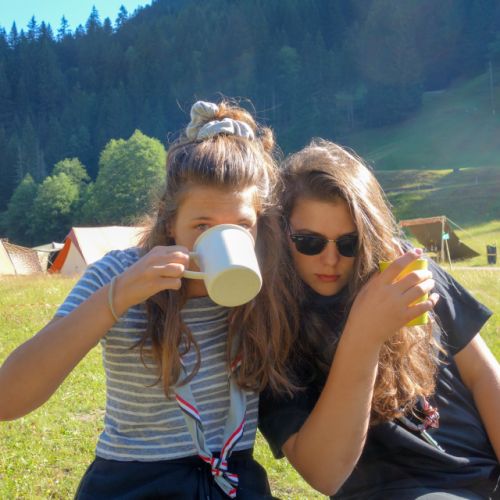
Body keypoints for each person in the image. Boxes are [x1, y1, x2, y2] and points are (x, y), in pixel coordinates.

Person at [0, 100, 299, 499]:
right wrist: (118, 296)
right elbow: (9, 398)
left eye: (242, 225)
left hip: (233, 480)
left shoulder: (267, 286)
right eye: (202, 225)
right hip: (134, 484)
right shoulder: (119, 272)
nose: (223, 238)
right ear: (170, 221)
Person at [259, 139, 500, 499]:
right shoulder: (273, 327)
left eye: (349, 243)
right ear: (281, 235)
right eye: (309, 242)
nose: (330, 259)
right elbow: (324, 473)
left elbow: (482, 376)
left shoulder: (405, 275)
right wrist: (364, 334)